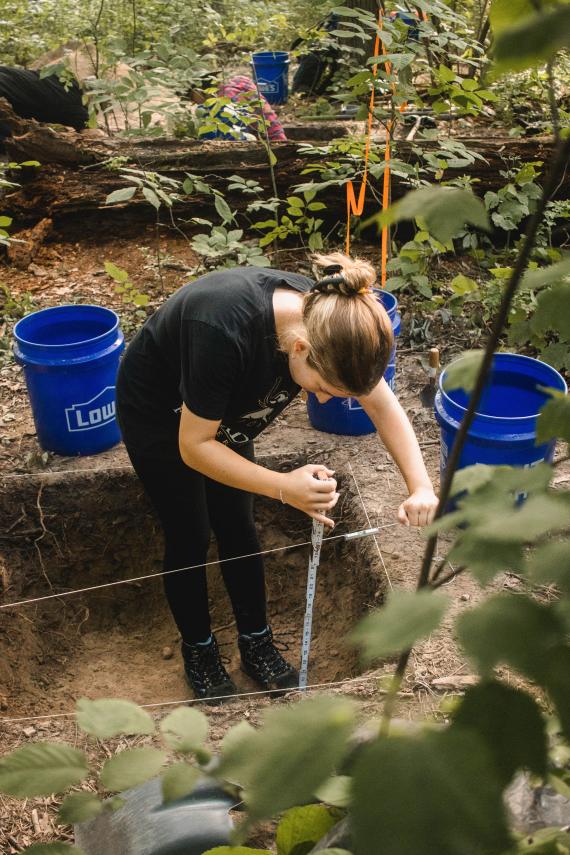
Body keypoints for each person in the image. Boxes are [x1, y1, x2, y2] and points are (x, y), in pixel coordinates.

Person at [116, 253, 439, 703]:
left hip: (224, 414)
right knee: (190, 531)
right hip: (162, 415)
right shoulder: (223, 329)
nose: (324, 401)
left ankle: (256, 641)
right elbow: (194, 447)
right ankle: (200, 648)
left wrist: (420, 485)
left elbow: (383, 406)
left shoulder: (332, 323)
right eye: (324, 388)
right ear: (300, 349)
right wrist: (284, 486)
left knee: (237, 524)